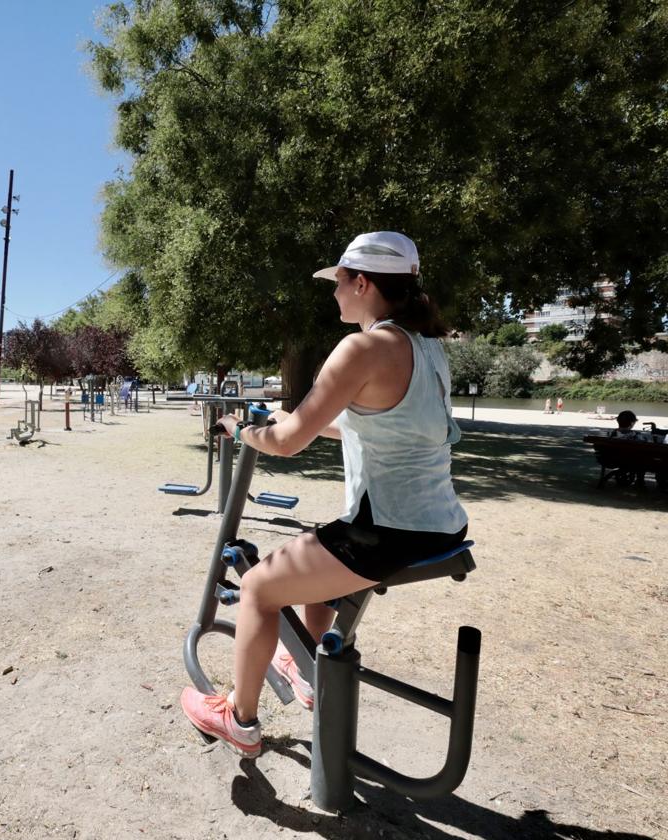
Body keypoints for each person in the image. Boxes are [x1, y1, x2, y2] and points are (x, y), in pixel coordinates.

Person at [179, 231, 468, 758]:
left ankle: (238, 720)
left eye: (337, 283)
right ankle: (305, 662)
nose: (333, 294)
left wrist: (241, 429)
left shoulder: (363, 347)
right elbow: (389, 426)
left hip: (389, 533)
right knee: (318, 548)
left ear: (361, 283)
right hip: (441, 525)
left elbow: (285, 445)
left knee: (260, 588)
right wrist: (304, 422)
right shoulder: (427, 348)